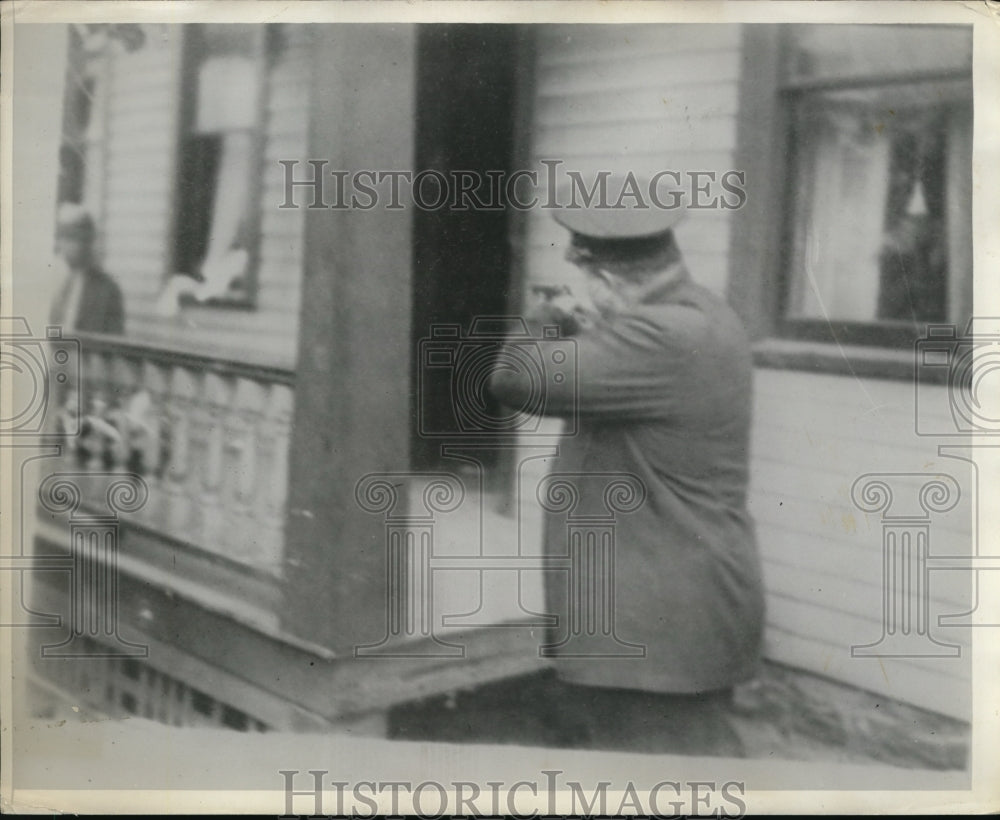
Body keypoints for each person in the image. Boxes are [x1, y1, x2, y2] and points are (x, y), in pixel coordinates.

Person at [488, 180, 765, 757]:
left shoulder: (661, 334)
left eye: (586, 284)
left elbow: (511, 377)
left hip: (656, 631)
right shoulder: (699, 314)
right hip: (660, 620)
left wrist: (549, 313)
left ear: (607, 280)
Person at [49, 203, 125, 334]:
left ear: (88, 242)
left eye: (73, 238)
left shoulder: (107, 289)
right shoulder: (54, 280)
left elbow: (114, 342)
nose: (65, 245)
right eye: (63, 237)